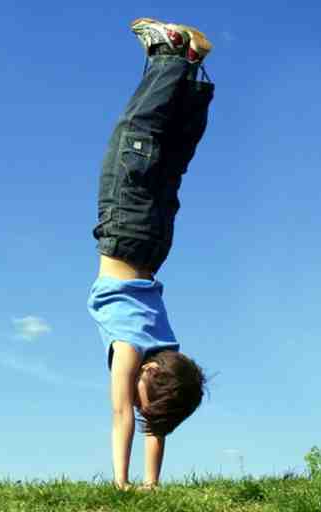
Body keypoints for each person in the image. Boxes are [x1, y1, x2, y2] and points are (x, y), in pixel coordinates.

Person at [86, 17, 213, 491]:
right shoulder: (131, 352)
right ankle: (169, 53)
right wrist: (122, 482)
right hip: (124, 235)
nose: (139, 407)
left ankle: (192, 70)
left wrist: (152, 482)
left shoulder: (169, 349)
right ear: (152, 372)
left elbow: (154, 424)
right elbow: (122, 413)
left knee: (167, 161)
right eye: (146, 399)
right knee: (133, 137)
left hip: (157, 243)